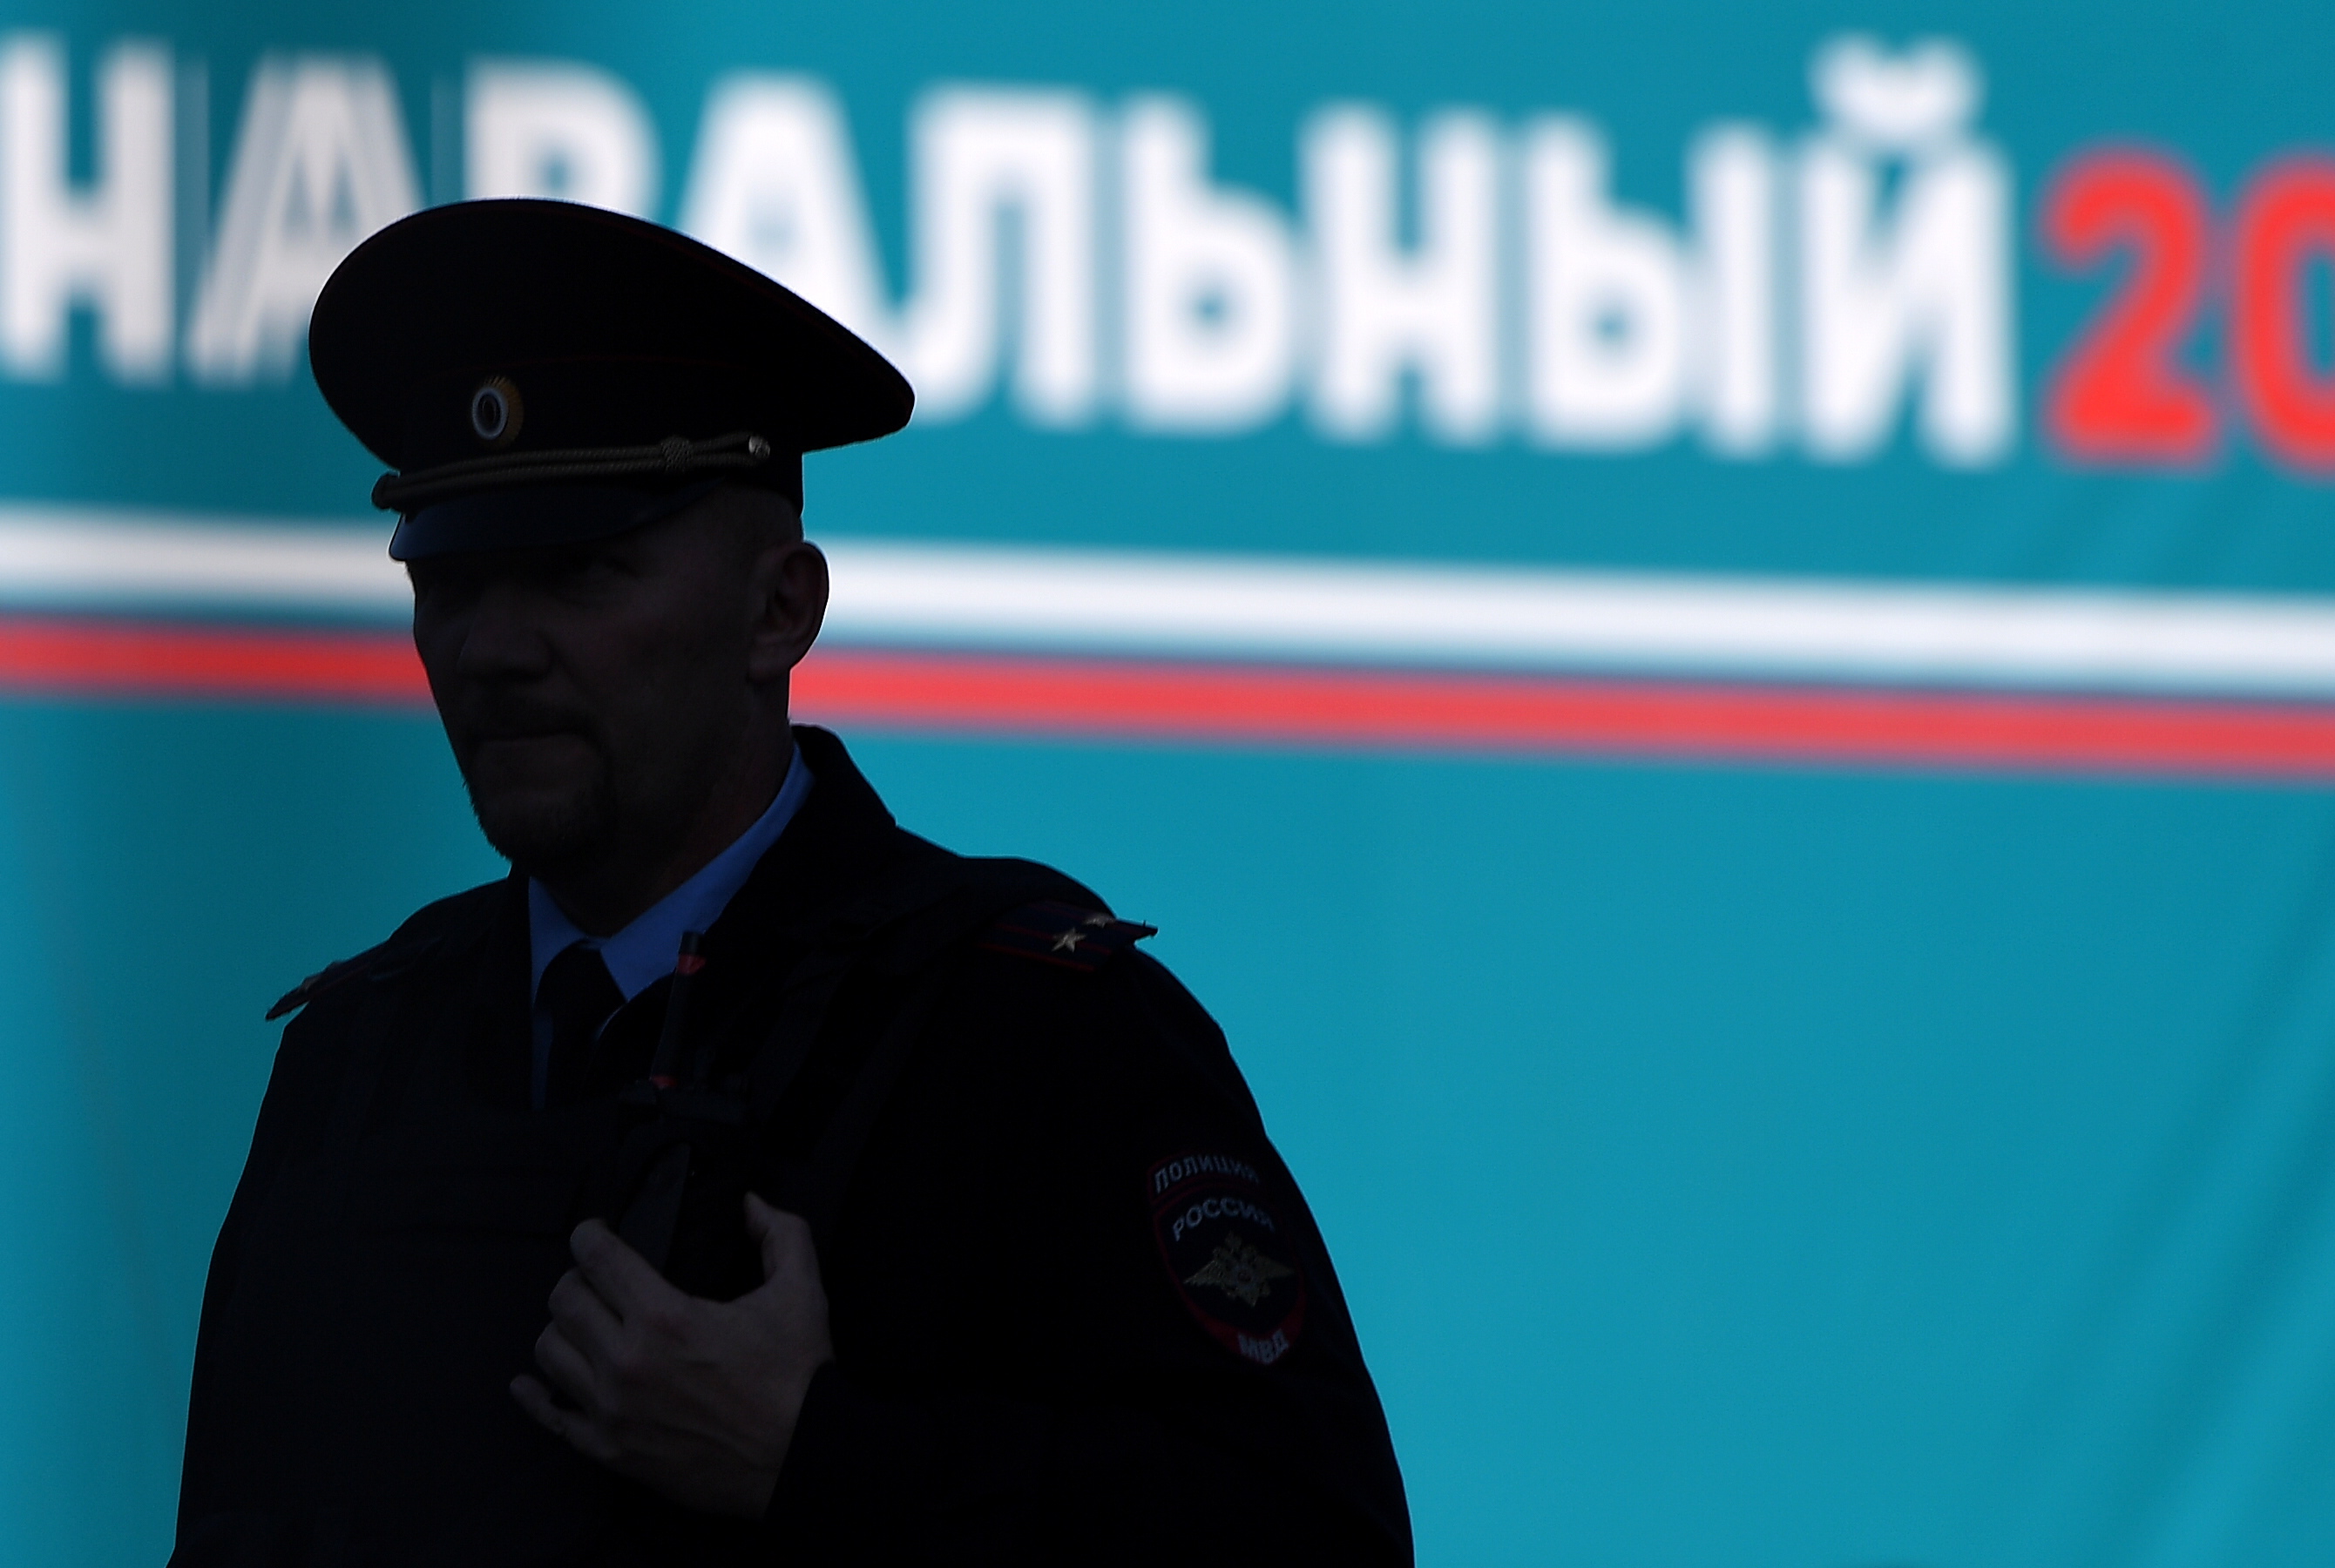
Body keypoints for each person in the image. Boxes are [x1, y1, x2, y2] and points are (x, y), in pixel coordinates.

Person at [170, 199, 1411, 1565]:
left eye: (576, 574)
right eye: (451, 583)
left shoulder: (1037, 1039)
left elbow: (1317, 1540)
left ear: (781, 612)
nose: (492, 649)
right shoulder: (359, 1051)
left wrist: (821, 1459)